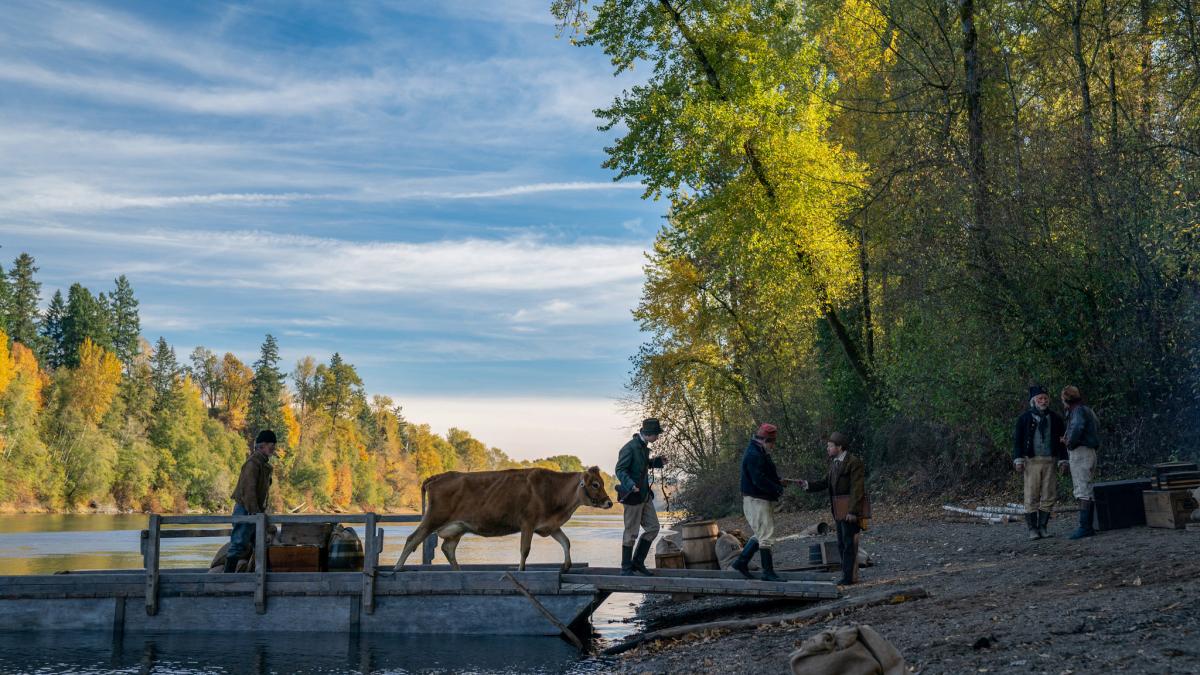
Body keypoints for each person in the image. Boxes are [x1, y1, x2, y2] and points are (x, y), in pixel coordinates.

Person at [797, 432, 866, 586]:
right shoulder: (835, 463)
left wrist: (853, 511)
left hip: (849, 511)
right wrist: (807, 485)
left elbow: (857, 488)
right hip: (839, 511)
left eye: (830, 446)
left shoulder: (854, 462)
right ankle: (847, 575)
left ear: (839, 447)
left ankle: (848, 578)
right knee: (842, 543)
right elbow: (825, 482)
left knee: (848, 544)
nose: (827, 448)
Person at [731, 423, 788, 582]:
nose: (773, 445)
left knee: (761, 534)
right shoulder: (754, 454)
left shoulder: (758, 451)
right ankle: (767, 573)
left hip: (757, 499)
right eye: (772, 442)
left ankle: (741, 563)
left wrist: (777, 481)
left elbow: (763, 475)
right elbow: (758, 480)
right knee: (766, 536)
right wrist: (777, 488)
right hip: (756, 499)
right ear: (764, 440)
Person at [1013, 385, 1068, 540]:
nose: (1043, 401)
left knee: (1049, 494)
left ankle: (1043, 527)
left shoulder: (1055, 418)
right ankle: (1032, 529)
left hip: (1050, 460)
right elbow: (1017, 441)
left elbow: (1062, 441)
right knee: (1031, 495)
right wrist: (1018, 460)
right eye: (1040, 399)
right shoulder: (1024, 418)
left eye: (1045, 398)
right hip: (1031, 461)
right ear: (1034, 401)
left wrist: (1063, 460)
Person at [614, 418, 666, 576]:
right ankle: (626, 568)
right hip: (632, 495)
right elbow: (620, 470)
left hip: (644, 496)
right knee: (631, 532)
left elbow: (641, 464)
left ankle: (637, 562)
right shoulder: (629, 448)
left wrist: (656, 462)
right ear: (649, 434)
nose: (657, 437)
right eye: (657, 434)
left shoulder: (643, 447)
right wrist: (630, 485)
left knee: (653, 528)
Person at [224, 429, 277, 573]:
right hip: (246, 510)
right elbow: (249, 491)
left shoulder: (263, 465)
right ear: (263, 445)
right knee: (238, 543)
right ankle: (225, 580)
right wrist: (256, 514)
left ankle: (262, 576)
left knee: (260, 543)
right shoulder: (253, 464)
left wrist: (259, 513)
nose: (273, 448)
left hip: (254, 511)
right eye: (271, 445)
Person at [1061, 385, 1100, 539]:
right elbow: (1096, 425)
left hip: (1081, 452)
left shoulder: (1077, 411)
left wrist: (1069, 442)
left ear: (1065, 398)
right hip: (1089, 451)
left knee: (1082, 489)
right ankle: (1087, 526)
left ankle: (1085, 527)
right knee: (1086, 487)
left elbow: (1077, 427)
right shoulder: (1086, 409)